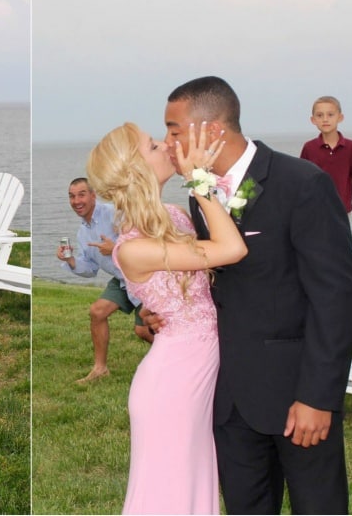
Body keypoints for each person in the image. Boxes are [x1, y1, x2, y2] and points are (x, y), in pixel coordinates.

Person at [148, 76, 352, 514]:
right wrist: (161, 312)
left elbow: (335, 299)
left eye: (174, 130)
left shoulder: (302, 184)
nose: (167, 143)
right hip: (228, 399)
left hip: (296, 394)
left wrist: (318, 397)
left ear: (212, 131)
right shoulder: (201, 195)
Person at [86, 121, 247, 514]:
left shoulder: (175, 215)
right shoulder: (132, 248)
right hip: (172, 384)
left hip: (198, 372)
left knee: (192, 486)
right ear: (136, 170)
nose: (166, 145)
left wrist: (151, 310)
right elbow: (231, 249)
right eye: (154, 146)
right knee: (168, 495)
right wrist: (199, 178)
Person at [56, 177, 153, 385]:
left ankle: (179, 360)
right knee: (97, 312)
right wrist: (70, 260)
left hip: (143, 275)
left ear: (93, 195)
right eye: (72, 196)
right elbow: (90, 270)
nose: (76, 201)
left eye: (82, 195)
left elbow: (144, 241)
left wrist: (116, 249)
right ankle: (100, 369)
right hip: (122, 280)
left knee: (143, 330)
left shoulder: (115, 214)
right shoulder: (83, 232)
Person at [300, 95, 352, 213]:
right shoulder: (309, 147)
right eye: (320, 115)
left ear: (340, 117)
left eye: (330, 115)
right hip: (316, 211)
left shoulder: (351, 147)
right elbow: (302, 180)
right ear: (313, 120)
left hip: (343, 212)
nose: (325, 119)